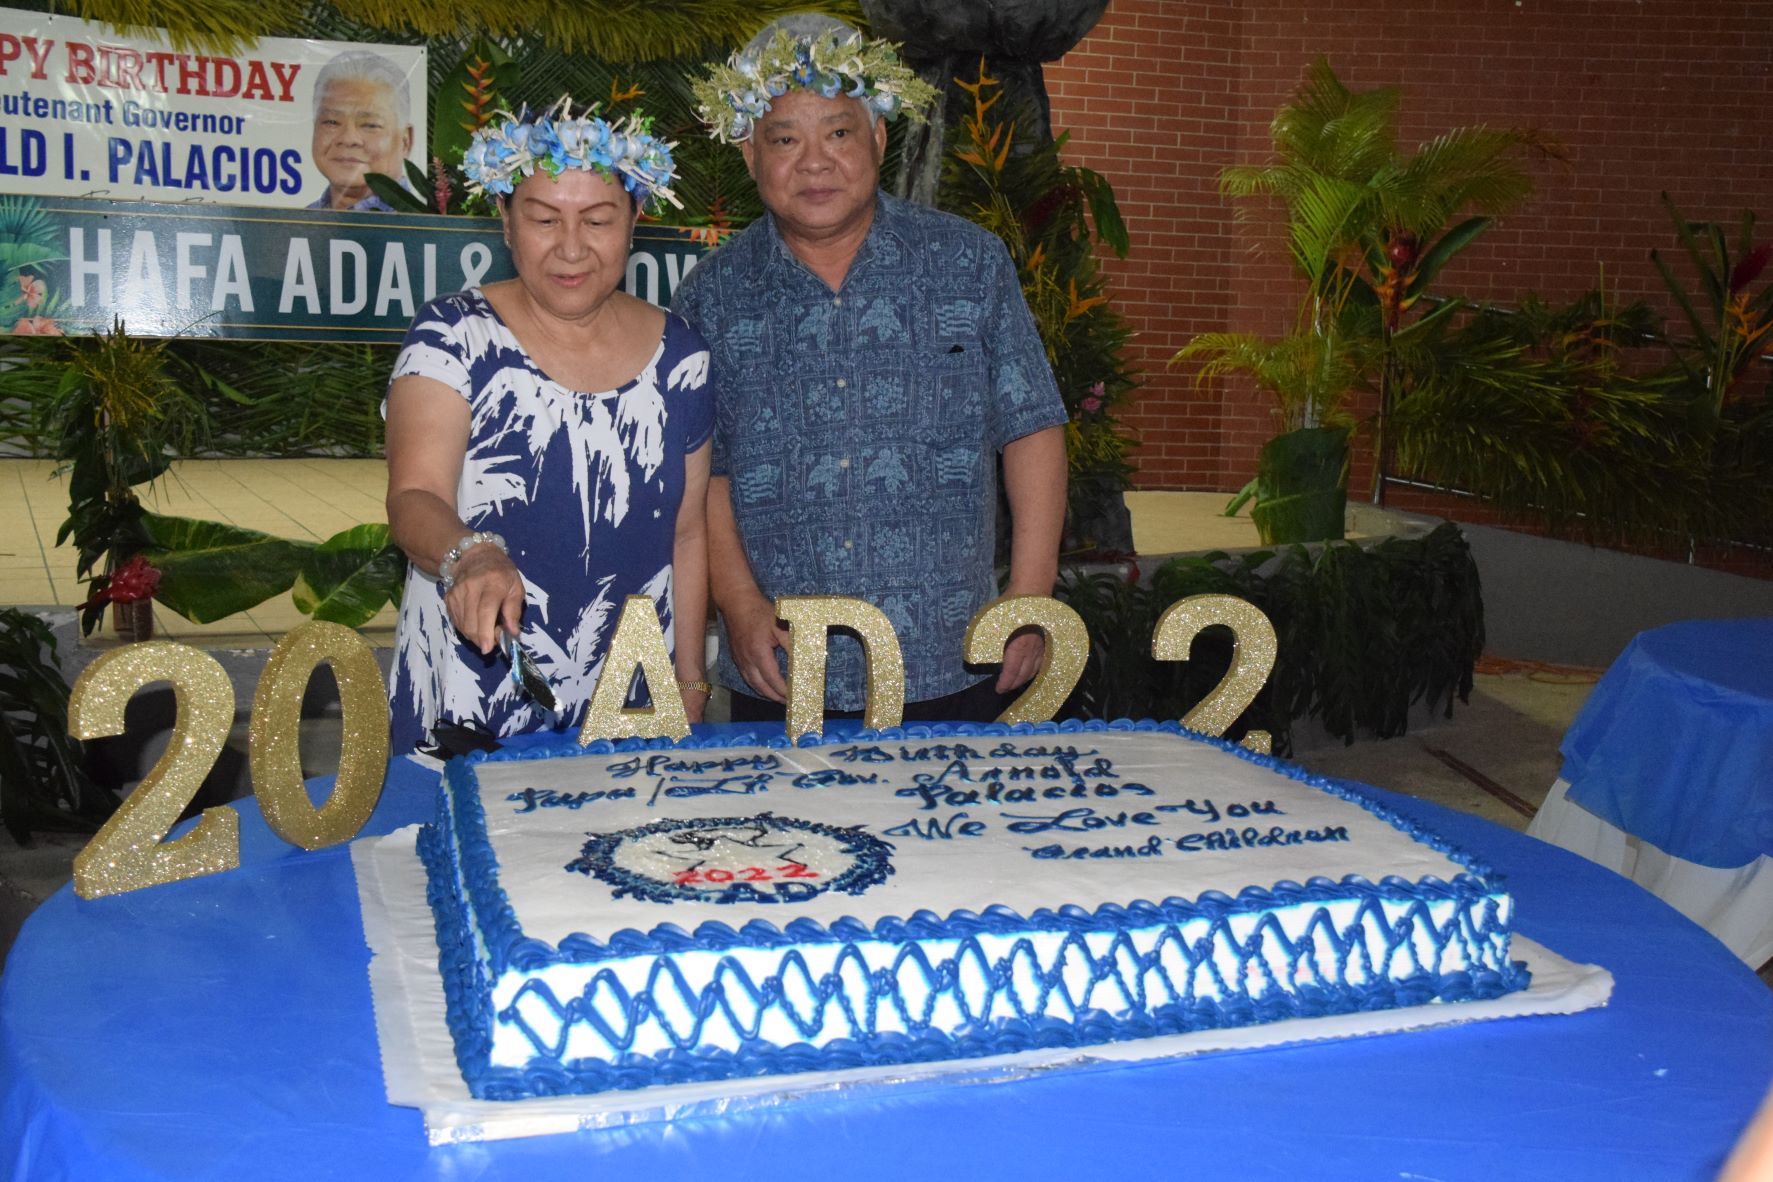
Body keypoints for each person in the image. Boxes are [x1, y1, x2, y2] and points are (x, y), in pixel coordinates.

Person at [675, 16, 1070, 724]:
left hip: (954, 653)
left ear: (879, 139)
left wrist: (1031, 593)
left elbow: (1030, 425)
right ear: (748, 153)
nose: (814, 162)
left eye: (838, 132)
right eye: (784, 139)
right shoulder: (711, 295)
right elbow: (710, 472)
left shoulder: (968, 263)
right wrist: (737, 604)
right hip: (783, 666)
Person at [384, 98, 712, 755]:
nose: (571, 247)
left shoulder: (681, 353)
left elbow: (687, 529)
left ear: (634, 221)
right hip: (474, 686)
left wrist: (690, 678)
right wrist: (469, 554)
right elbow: (414, 497)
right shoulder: (453, 335)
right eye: (543, 219)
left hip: (632, 694)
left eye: (598, 220)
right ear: (505, 221)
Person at [307, 50, 416, 212]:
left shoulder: (426, 224)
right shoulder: (294, 222)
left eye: (370, 125)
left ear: (405, 141)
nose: (348, 139)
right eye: (332, 122)